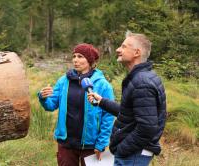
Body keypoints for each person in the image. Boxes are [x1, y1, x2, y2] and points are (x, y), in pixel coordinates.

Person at [88, 31, 167, 166]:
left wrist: (122, 149)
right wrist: (101, 102)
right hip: (133, 153)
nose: (118, 50)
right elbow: (129, 113)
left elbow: (147, 127)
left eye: (124, 47)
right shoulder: (141, 77)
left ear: (136, 52)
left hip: (134, 155)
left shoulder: (142, 82)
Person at [38, 43, 115, 166]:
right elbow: (51, 105)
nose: (75, 60)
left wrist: (101, 143)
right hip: (66, 142)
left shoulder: (102, 84)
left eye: (80, 56)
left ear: (90, 60)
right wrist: (43, 98)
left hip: (91, 144)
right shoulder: (63, 81)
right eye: (74, 56)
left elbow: (108, 116)